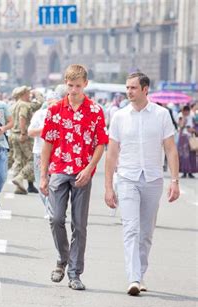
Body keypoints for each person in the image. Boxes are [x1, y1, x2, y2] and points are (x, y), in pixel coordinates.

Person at [105, 72, 180, 295]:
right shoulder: (119, 116)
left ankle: (141, 273)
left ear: (145, 89)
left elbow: (170, 149)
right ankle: (134, 278)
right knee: (131, 228)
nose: (129, 92)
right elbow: (111, 153)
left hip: (153, 178)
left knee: (146, 232)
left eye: (133, 88)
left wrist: (174, 180)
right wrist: (108, 186)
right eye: (127, 88)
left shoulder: (162, 114)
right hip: (127, 177)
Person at [40, 64, 109, 291]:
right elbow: (47, 144)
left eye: (78, 86)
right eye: (70, 86)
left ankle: (74, 273)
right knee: (56, 218)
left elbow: (101, 143)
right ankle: (62, 258)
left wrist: (90, 168)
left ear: (85, 84)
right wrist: (43, 176)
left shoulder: (96, 111)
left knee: (79, 225)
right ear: (65, 84)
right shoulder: (55, 110)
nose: (74, 90)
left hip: (82, 172)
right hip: (59, 169)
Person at [28, 91, 59, 219]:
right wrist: (46, 129)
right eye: (50, 102)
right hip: (39, 152)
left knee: (55, 183)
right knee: (41, 181)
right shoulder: (39, 115)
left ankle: (53, 209)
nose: (52, 105)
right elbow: (30, 132)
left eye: (55, 103)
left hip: (57, 154)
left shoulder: (62, 115)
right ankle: (48, 208)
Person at [10, 86, 38, 194]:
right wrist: (23, 132)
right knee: (32, 160)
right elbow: (22, 118)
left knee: (18, 160)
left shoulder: (14, 105)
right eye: (28, 93)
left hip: (13, 134)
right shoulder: (24, 105)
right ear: (23, 94)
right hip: (22, 135)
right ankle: (20, 177)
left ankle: (19, 186)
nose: (29, 95)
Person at [177, 105, 197, 178]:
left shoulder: (193, 117)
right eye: (184, 111)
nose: (186, 113)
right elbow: (180, 126)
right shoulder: (180, 117)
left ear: (189, 111)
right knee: (183, 155)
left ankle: (191, 172)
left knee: (192, 154)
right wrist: (183, 121)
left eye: (187, 111)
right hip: (183, 138)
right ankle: (184, 172)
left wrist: (193, 130)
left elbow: (196, 127)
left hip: (191, 137)